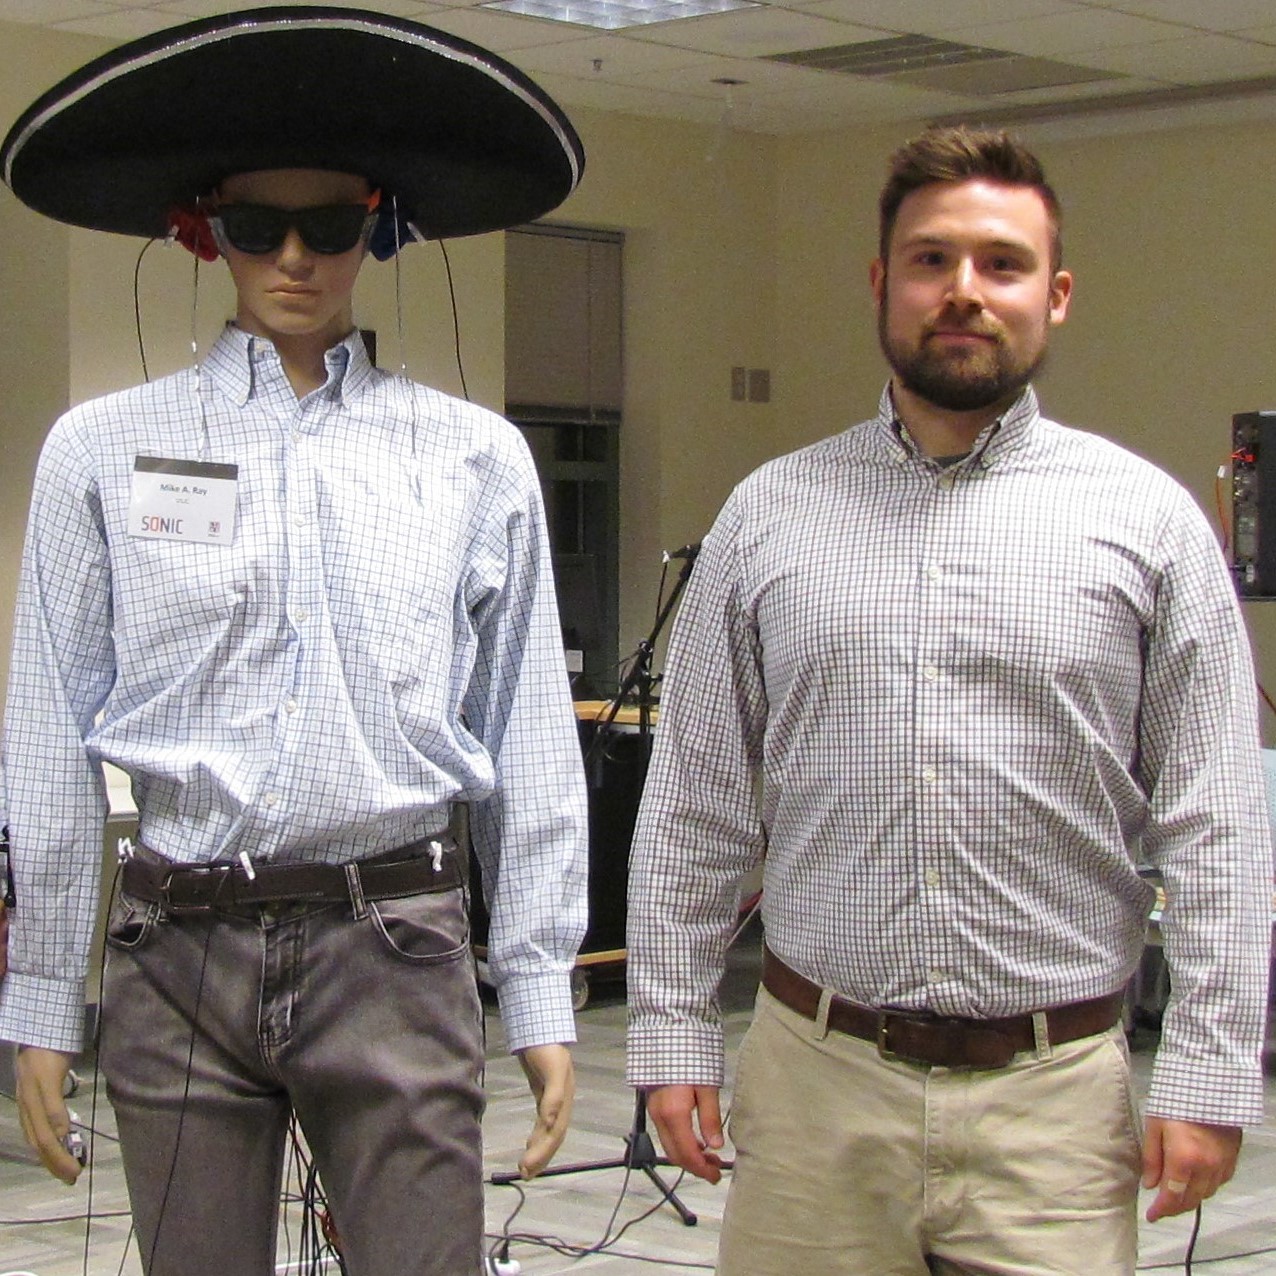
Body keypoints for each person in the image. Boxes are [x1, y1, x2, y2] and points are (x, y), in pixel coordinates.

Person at [626, 124, 1273, 1275]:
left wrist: (1210, 1067)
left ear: (1056, 294)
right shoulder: (767, 516)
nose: (962, 292)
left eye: (1001, 263)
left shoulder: (1150, 524)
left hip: (1055, 1110)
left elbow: (1218, 822)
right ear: (881, 283)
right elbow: (695, 805)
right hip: (816, 1086)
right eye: (930, 261)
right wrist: (672, 1025)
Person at [0, 11, 588, 1276]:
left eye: (329, 226)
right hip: (179, 948)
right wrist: (43, 991)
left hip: (396, 935)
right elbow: (48, 737)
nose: (295, 258)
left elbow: (525, 738)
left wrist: (534, 982)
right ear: (204, 229)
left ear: (375, 224)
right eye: (259, 227)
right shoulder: (100, 454)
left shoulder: (472, 460)